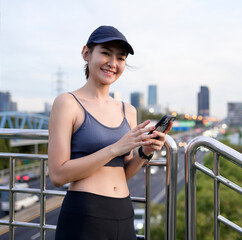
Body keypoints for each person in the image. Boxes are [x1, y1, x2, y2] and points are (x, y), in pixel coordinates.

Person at [48, 25, 173, 240]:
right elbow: (58, 175)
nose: (113, 64)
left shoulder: (128, 110)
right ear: (86, 53)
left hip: (123, 212)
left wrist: (144, 152)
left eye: (121, 58)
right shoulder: (67, 103)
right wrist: (116, 147)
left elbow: (121, 172)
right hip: (85, 213)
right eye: (105, 53)